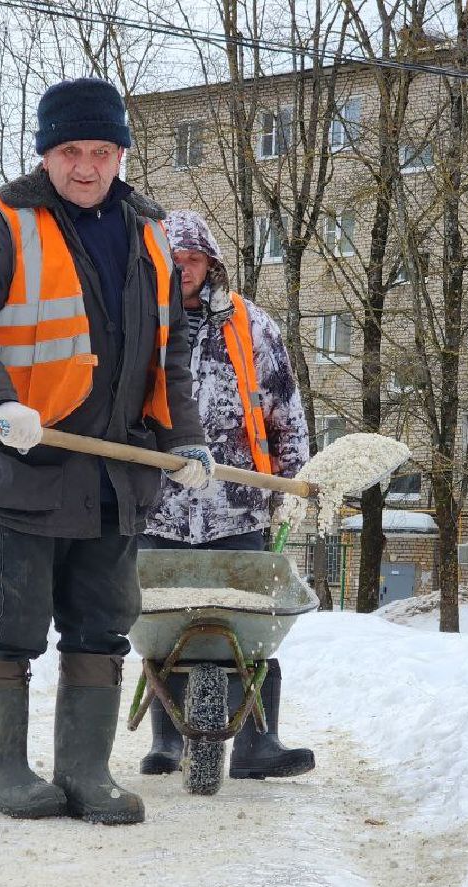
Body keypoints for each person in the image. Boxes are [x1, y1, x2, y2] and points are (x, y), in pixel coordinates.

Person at [0, 77, 212, 825]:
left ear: (120, 154)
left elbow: (167, 358)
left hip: (119, 476)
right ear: (47, 153)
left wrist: (186, 439)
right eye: (71, 151)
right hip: (35, 465)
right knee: (15, 624)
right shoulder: (5, 224)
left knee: (103, 625)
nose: (87, 166)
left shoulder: (150, 233)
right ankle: (1, 771)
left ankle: (85, 773)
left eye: (102, 151)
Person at [138, 209, 315, 781]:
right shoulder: (141, 322)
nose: (183, 268)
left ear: (211, 264)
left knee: (252, 632)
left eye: (193, 259)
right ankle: (168, 741)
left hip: (238, 508)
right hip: (158, 508)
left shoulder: (252, 325)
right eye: (173, 259)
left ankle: (259, 744)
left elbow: (284, 404)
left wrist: (295, 478)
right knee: (162, 629)